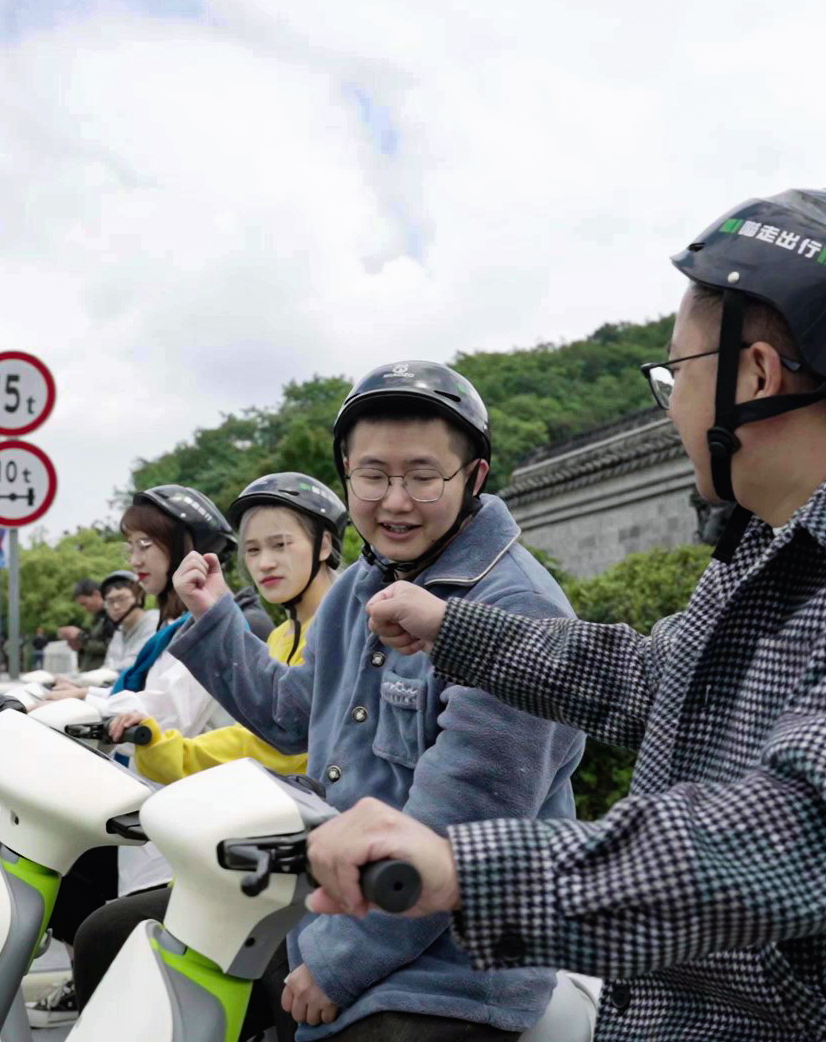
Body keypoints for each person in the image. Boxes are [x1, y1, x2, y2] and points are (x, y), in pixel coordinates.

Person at [309, 190, 826, 1041]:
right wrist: (459, 630)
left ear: (755, 376)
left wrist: (465, 867)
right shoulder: (779, 542)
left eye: (677, 375)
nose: (673, 405)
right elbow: (661, 681)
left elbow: (802, 837)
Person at [170, 361, 585, 1041]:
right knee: (129, 942)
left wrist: (335, 966)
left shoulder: (515, 609)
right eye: (372, 476)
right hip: (338, 905)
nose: (394, 502)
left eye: (423, 476)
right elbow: (292, 715)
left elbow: (454, 829)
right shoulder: (359, 586)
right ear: (346, 475)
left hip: (458, 965)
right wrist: (215, 615)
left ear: (474, 477)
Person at [67, 471, 350, 1041]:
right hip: (257, 838)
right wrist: (158, 743)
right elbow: (249, 738)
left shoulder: (342, 629)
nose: (265, 563)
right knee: (103, 935)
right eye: (253, 550)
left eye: (280, 545)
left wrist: (162, 745)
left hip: (305, 856)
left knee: (117, 937)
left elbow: (274, 744)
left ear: (325, 545)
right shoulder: (281, 636)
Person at [28, 485, 238, 1028]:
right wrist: (87, 699)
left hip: (186, 811)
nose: (135, 558)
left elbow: (165, 712)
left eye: (147, 544)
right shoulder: (174, 625)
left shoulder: (211, 624)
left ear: (189, 548)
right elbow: (144, 695)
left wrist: (86, 704)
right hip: (153, 796)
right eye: (131, 546)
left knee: (108, 923)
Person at [96, 570, 158, 673]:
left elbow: (132, 665)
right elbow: (109, 665)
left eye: (121, 599)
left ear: (139, 597)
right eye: (110, 602)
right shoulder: (120, 630)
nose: (116, 606)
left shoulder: (154, 622)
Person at [58, 577, 113, 669]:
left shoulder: (113, 615)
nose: (85, 609)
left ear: (96, 594)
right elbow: (94, 645)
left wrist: (80, 636)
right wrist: (79, 645)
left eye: (84, 603)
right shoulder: (98, 617)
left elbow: (111, 647)